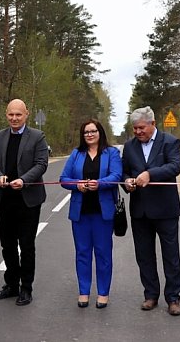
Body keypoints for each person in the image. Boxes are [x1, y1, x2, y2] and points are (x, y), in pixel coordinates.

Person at [121, 106, 180, 315]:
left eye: (141, 128)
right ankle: (150, 295)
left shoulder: (170, 142)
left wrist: (149, 174)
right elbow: (124, 171)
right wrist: (127, 182)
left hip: (166, 210)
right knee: (144, 255)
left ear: (153, 124)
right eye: (135, 128)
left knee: (171, 255)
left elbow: (174, 167)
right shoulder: (129, 147)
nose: (138, 132)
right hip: (140, 211)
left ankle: (173, 298)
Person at [0, 99, 49, 306]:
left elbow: (41, 164)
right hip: (5, 198)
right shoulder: (0, 136)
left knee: (26, 245)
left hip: (28, 200)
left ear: (26, 114)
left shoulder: (37, 136)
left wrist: (23, 180)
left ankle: (26, 288)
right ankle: (11, 285)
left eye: (18, 115)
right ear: (6, 114)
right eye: (11, 114)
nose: (14, 118)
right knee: (7, 245)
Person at [59, 119, 122, 309]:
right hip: (81, 212)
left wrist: (99, 183)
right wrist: (77, 185)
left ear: (100, 132)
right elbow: (64, 179)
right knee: (82, 253)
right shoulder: (76, 154)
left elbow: (116, 175)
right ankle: (83, 291)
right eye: (86, 132)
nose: (89, 134)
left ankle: (103, 293)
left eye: (93, 131)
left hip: (103, 212)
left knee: (103, 254)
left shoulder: (111, 153)